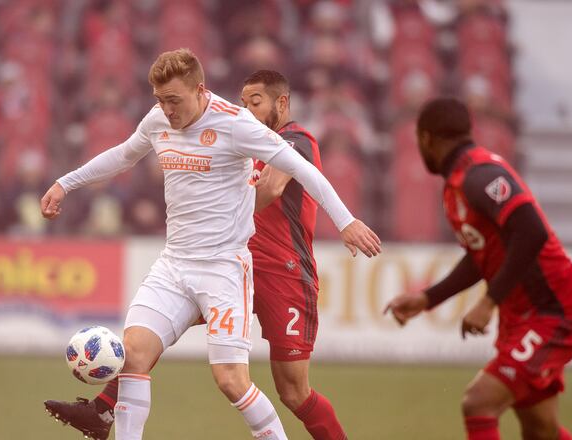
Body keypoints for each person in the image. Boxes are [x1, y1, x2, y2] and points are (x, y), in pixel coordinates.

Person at [41, 49, 381, 440]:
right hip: (173, 265)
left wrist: (346, 220)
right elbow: (123, 156)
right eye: (160, 100)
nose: (166, 109)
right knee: (133, 353)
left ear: (200, 90)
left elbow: (299, 168)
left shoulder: (235, 125)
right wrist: (65, 183)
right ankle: (107, 421)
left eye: (174, 100)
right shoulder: (157, 120)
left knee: (232, 381)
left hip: (223, 269)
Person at [384, 98, 572, 440]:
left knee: (478, 402)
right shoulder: (459, 183)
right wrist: (427, 299)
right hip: (524, 317)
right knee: (541, 430)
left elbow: (532, 231)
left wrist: (488, 301)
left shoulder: (480, 175)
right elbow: (482, 257)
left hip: (555, 312)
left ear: (425, 139)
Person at [242, 70, 349, 439]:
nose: (247, 111)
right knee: (166, 320)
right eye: (243, 104)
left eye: (255, 102)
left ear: (281, 103)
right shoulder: (248, 146)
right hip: (240, 267)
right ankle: (106, 408)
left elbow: (270, 188)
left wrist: (222, 217)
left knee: (293, 392)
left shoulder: (297, 141)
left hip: (285, 274)